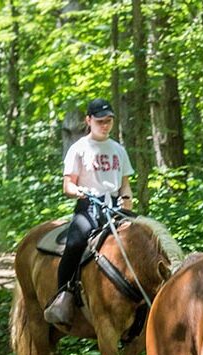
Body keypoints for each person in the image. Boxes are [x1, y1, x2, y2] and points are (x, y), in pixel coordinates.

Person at [43, 98, 134, 327]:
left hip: (115, 207)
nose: (105, 125)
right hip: (89, 206)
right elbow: (68, 186)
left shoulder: (119, 150)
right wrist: (80, 192)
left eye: (109, 121)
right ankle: (63, 295)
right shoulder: (79, 149)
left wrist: (127, 199)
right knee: (74, 243)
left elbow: (125, 184)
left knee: (143, 240)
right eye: (100, 121)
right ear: (89, 120)